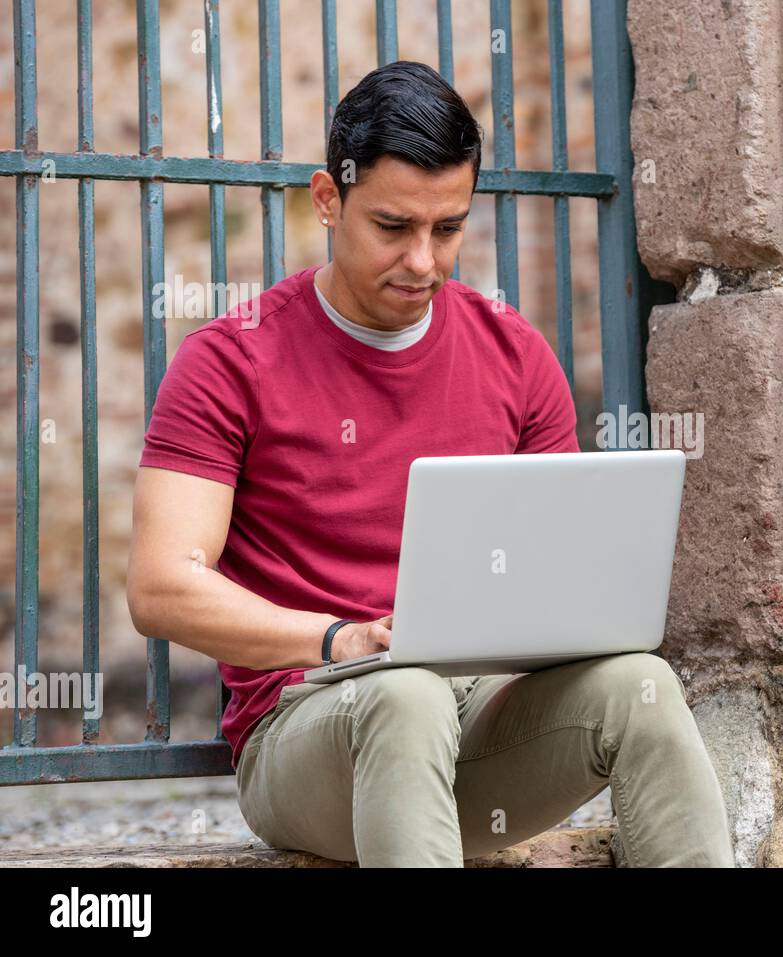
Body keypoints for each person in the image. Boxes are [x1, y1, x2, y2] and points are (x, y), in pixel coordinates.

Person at [125, 60, 735, 868]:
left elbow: (564, 570)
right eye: (393, 226)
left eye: (447, 228)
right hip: (306, 728)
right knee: (403, 692)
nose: (423, 261)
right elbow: (163, 586)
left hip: (477, 723)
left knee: (640, 685)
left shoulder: (514, 352)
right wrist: (341, 638)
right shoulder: (229, 361)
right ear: (327, 200)